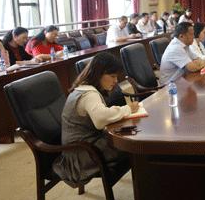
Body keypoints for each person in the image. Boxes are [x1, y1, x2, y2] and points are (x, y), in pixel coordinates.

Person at [52, 52, 139, 187]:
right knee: (135, 145)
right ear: (99, 74)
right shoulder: (89, 94)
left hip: (84, 147)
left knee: (132, 134)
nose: (116, 81)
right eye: (112, 76)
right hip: (81, 155)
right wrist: (127, 109)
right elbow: (100, 119)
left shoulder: (83, 88)